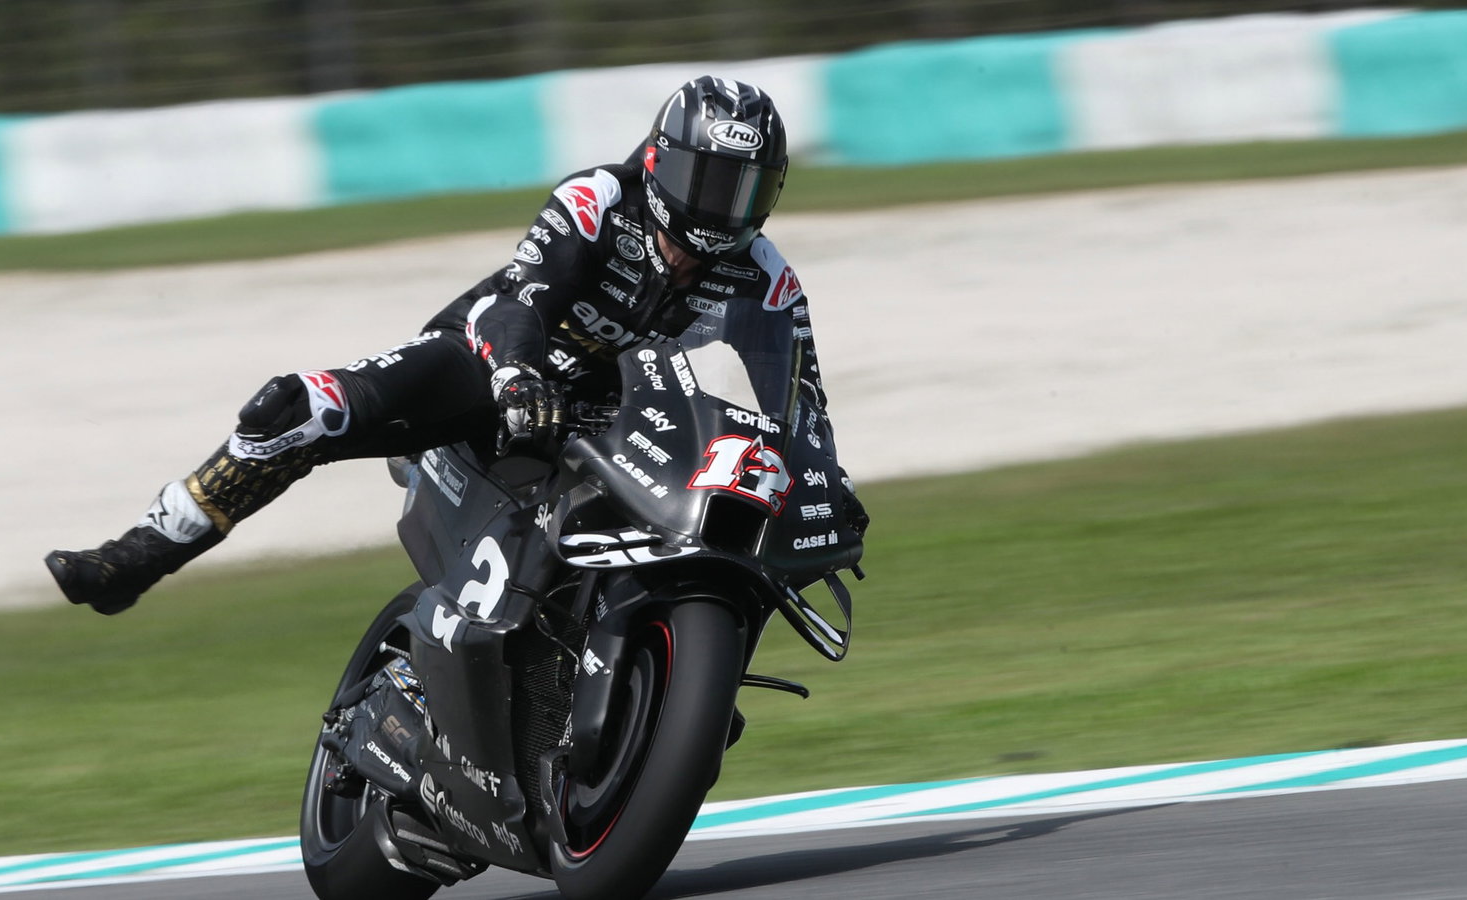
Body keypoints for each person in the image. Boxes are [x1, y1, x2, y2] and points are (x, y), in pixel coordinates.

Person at [46, 75, 868, 616]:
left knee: (740, 532)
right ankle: (142, 555)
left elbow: (801, 407)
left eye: (747, 191)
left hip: (627, 422)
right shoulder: (599, 201)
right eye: (709, 183)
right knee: (293, 410)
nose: (722, 210)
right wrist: (516, 375)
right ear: (661, 161)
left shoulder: (766, 279)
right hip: (496, 369)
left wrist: (827, 487)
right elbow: (521, 301)